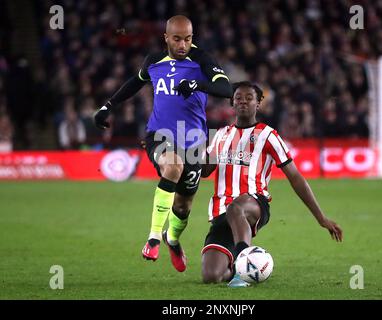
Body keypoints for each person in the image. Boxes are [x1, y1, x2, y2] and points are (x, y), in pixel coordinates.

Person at [93, 15, 232, 272]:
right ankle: (154, 237)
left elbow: (226, 89)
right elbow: (135, 82)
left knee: (183, 206)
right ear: (166, 37)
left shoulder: (202, 60)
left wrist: (197, 84)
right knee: (173, 166)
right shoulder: (154, 61)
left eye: (188, 39)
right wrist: (107, 106)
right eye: (177, 39)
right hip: (159, 135)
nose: (182, 45)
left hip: (192, 140)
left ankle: (172, 239)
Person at [200, 81, 343, 287]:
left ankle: (242, 270)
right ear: (231, 102)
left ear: (258, 104)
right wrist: (193, 151)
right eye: (238, 98)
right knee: (211, 276)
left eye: (249, 98)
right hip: (220, 211)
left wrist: (321, 218)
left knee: (237, 207)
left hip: (254, 203)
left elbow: (295, 176)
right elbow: (205, 171)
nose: (243, 102)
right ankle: (249, 265)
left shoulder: (268, 135)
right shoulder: (220, 134)